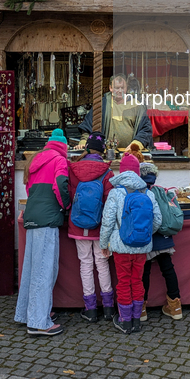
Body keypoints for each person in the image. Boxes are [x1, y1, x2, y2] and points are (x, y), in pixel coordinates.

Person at [15, 128, 70, 336]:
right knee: (44, 269)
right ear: (63, 146)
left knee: (31, 268)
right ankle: (38, 321)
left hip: (32, 215)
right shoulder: (59, 160)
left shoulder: (35, 160)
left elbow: (28, 189)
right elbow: (60, 184)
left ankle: (26, 313)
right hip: (48, 218)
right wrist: (65, 205)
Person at [99, 153, 162, 334]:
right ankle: (136, 319)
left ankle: (125, 320)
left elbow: (108, 222)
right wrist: (144, 233)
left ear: (122, 171)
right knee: (137, 281)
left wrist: (104, 244)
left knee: (124, 282)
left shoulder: (115, 193)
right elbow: (157, 220)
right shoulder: (148, 193)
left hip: (121, 247)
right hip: (142, 246)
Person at [68, 131, 115, 322]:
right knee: (102, 264)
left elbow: (70, 196)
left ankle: (91, 309)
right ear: (103, 150)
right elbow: (109, 202)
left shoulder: (74, 168)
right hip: (99, 227)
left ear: (87, 148)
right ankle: (109, 308)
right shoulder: (107, 171)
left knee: (85, 264)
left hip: (78, 225)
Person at [139, 162, 183, 321]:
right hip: (164, 237)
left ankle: (141, 309)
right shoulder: (160, 190)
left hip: (146, 238)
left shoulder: (138, 192)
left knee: (144, 271)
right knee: (168, 269)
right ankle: (176, 307)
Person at [78, 74, 153, 153]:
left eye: (122, 88)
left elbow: (146, 129)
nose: (120, 91)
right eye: (117, 88)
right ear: (110, 88)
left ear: (126, 87)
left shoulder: (137, 105)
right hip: (105, 153)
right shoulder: (102, 104)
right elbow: (88, 125)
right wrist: (84, 142)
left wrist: (136, 144)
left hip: (129, 153)